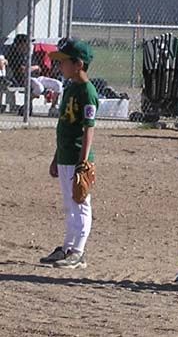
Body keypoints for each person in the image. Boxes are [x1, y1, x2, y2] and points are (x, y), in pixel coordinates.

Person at [40, 38, 99, 269]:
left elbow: (89, 129)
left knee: (80, 202)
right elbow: (64, 126)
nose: (60, 66)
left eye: (64, 62)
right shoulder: (70, 87)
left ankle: (79, 251)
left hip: (76, 156)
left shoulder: (87, 91)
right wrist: (56, 157)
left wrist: (83, 162)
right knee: (69, 203)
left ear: (79, 64)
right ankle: (66, 247)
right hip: (64, 155)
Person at [6, 34, 63, 115]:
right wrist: (34, 67)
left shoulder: (30, 54)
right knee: (39, 88)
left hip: (37, 77)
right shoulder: (14, 55)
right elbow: (22, 70)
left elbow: (38, 68)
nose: (29, 45)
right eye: (26, 43)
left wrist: (33, 68)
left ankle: (53, 108)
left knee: (58, 84)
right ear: (20, 44)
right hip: (24, 79)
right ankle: (26, 105)